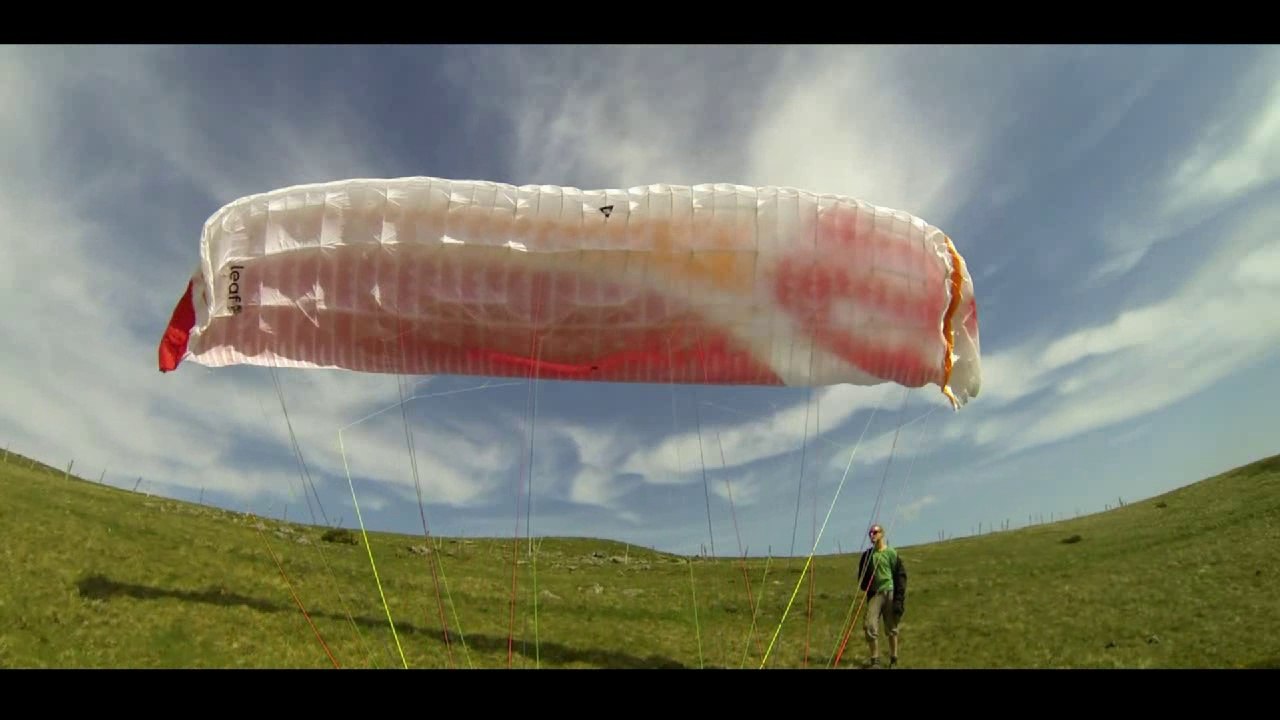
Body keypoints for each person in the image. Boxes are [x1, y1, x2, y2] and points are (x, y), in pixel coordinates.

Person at [856, 524, 907, 668]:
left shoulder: (891, 553)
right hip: (875, 594)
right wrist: (865, 583)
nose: (872, 535)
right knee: (869, 626)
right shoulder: (868, 555)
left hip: (890, 592)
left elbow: (901, 576)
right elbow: (862, 577)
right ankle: (875, 661)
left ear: (882, 534)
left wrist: (899, 600)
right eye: (870, 533)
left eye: (875, 532)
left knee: (891, 627)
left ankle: (894, 659)